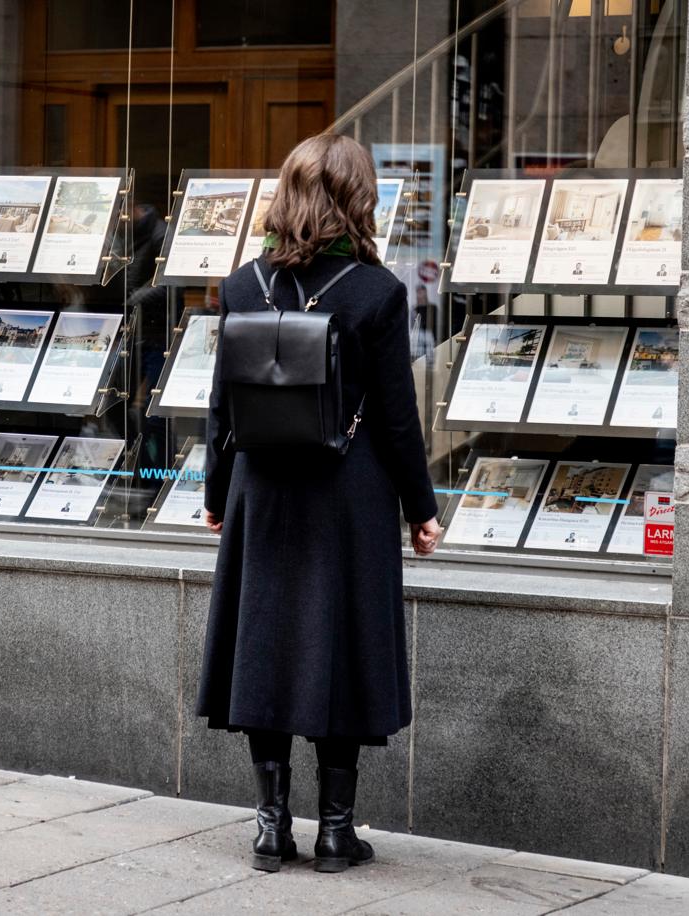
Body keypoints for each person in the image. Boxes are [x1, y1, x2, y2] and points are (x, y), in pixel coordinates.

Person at [197, 133, 441, 876]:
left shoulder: (242, 285)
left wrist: (214, 496)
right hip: (350, 493)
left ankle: (271, 829)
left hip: (261, 492)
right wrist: (421, 509)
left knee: (263, 648)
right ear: (358, 199)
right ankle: (337, 832)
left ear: (288, 194)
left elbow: (221, 412)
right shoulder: (378, 292)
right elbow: (398, 420)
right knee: (342, 650)